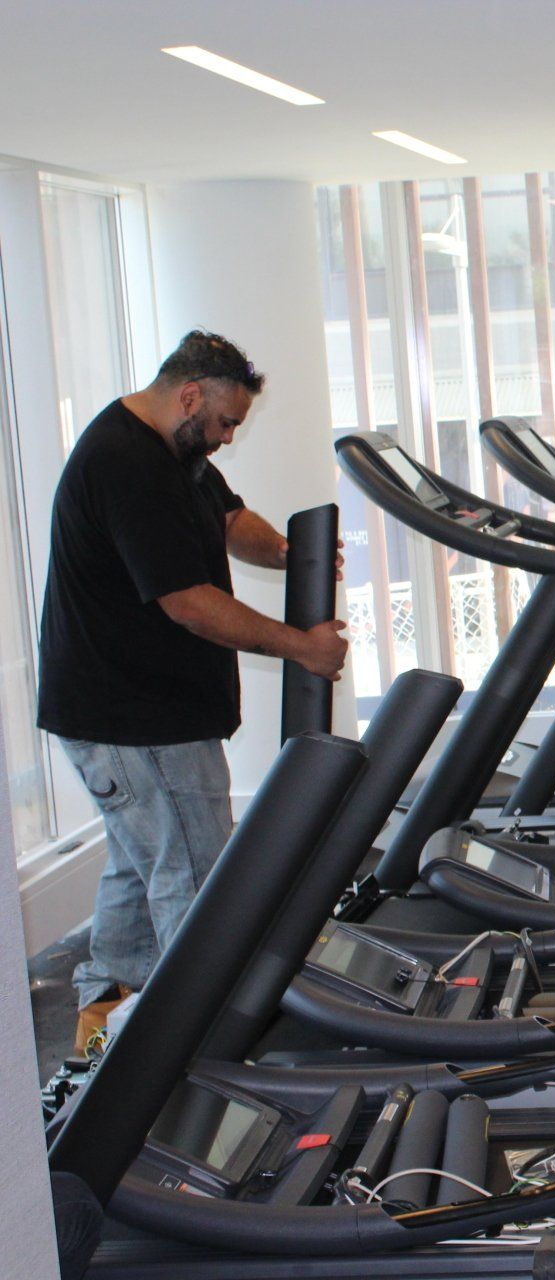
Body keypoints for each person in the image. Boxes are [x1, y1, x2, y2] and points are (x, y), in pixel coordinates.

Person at [36, 330, 350, 1053]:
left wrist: (285, 551)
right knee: (194, 881)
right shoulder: (125, 464)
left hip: (139, 712)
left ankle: (103, 1026)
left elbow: (232, 520)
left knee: (138, 866)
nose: (228, 439)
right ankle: (195, 1053)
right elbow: (187, 602)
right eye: (225, 423)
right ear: (189, 396)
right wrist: (301, 645)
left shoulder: (177, 450)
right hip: (131, 719)